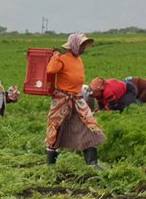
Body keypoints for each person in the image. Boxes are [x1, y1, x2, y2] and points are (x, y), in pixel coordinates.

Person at [45, 33, 106, 168]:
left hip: (77, 98)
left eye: (84, 45)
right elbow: (50, 70)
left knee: (89, 124)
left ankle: (92, 163)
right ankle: (50, 166)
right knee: (55, 128)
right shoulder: (62, 59)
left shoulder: (79, 60)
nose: (83, 48)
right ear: (73, 45)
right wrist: (55, 56)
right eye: (81, 45)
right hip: (62, 98)